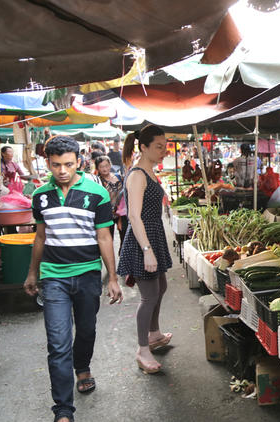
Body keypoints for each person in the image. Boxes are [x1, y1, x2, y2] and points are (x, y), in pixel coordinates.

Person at [23, 135, 123, 422]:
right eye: (56, 165)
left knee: (87, 330)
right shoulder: (40, 195)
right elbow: (40, 237)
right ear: (48, 163)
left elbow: (104, 237)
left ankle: (83, 367)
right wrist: (33, 272)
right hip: (53, 277)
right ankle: (63, 409)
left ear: (78, 161)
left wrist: (112, 278)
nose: (62, 171)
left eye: (68, 164)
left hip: (88, 275)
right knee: (57, 342)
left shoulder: (97, 194)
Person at [117, 126, 173, 374]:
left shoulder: (148, 171)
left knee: (161, 287)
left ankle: (154, 333)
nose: (164, 150)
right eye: (159, 146)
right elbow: (133, 216)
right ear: (143, 147)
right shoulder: (137, 174)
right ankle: (142, 349)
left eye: (164, 145)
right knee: (149, 295)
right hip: (143, 239)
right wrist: (147, 250)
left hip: (153, 234)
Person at [95, 156, 127, 249]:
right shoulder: (97, 181)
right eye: (101, 167)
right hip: (106, 214)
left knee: (124, 237)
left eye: (106, 165)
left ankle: (123, 258)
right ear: (97, 168)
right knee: (108, 238)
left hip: (121, 213)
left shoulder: (119, 177)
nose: (105, 169)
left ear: (110, 165)